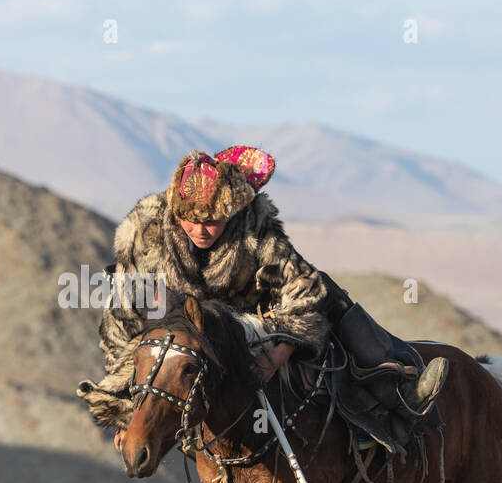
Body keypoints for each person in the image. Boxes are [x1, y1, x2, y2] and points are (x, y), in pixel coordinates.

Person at [77, 146, 447, 454]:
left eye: (212, 220)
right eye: (189, 219)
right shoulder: (147, 235)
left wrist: (277, 354)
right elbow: (121, 323)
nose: (200, 229)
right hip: (186, 329)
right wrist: (125, 411)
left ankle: (396, 388)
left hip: (256, 320)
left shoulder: (255, 228)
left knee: (327, 290)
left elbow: (304, 291)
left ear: (231, 211)